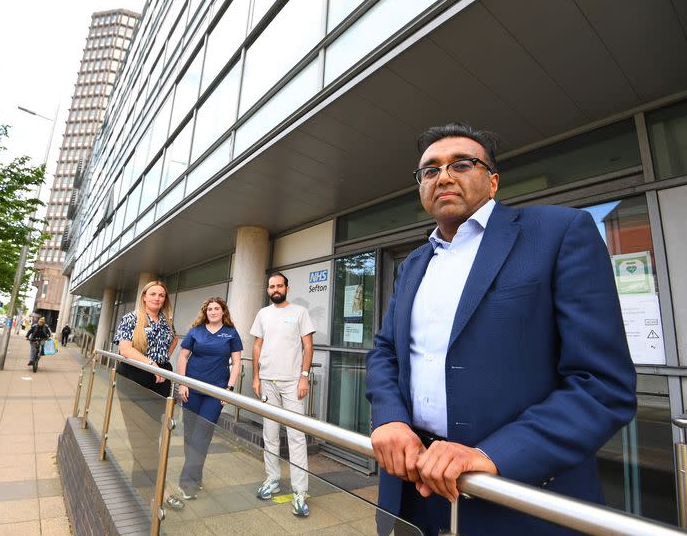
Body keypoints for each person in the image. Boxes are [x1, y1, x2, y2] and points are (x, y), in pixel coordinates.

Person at [365, 123, 637, 536]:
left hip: (512, 495)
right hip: (411, 488)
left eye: (461, 163)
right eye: (430, 169)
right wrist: (389, 418)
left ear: (492, 181)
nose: (444, 176)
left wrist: (495, 454)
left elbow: (601, 384)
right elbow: (385, 350)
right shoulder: (413, 264)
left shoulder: (560, 233)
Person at [251, 272, 315, 517]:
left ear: (287, 287)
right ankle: (273, 479)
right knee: (270, 434)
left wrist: (304, 376)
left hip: (292, 383)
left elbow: (308, 346)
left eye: (279, 285)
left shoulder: (299, 312)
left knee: (296, 436)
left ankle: (300, 491)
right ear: (268, 290)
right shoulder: (263, 314)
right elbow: (257, 345)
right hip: (267, 381)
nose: (275, 289)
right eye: (271, 286)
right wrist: (256, 377)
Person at [175, 297, 242, 500]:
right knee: (189, 435)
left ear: (223, 312)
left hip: (215, 393)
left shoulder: (231, 333)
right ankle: (196, 476)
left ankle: (187, 484)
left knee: (201, 435)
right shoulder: (196, 331)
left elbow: (237, 363)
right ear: (206, 312)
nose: (213, 311)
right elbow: (183, 357)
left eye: (217, 308)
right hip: (192, 389)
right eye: (210, 309)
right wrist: (183, 383)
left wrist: (229, 389)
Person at [114, 280, 178, 399]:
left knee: (157, 416)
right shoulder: (131, 318)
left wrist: (165, 356)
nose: (157, 298)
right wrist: (151, 364)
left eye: (161, 295)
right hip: (134, 372)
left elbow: (175, 338)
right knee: (135, 416)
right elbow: (125, 349)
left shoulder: (167, 321)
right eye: (152, 294)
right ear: (144, 297)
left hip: (161, 375)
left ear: (165, 299)